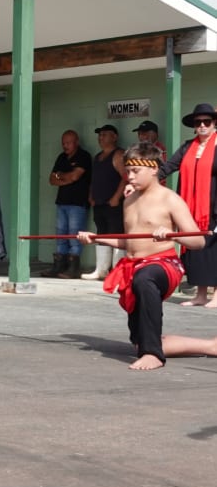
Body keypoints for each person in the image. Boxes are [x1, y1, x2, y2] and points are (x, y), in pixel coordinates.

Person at [76, 142, 204, 370]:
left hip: (164, 265)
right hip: (134, 265)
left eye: (136, 171)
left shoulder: (170, 199)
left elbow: (198, 241)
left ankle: (153, 354)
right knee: (139, 342)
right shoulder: (130, 199)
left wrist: (172, 236)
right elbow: (129, 241)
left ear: (154, 168)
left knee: (144, 279)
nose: (130, 176)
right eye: (128, 171)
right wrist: (97, 238)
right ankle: (210, 346)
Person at [160, 103, 217, 308]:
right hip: (190, 208)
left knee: (213, 250)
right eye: (198, 122)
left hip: (213, 208)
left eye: (207, 121)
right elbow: (168, 167)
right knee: (196, 251)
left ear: (214, 123)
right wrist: (145, 180)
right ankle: (200, 295)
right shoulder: (187, 147)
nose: (202, 125)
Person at [41, 130, 91, 277]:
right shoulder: (62, 157)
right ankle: (59, 267)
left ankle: (73, 269)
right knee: (60, 235)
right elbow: (51, 179)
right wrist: (65, 177)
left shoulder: (83, 156)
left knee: (74, 236)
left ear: (76, 142)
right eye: (63, 143)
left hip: (77, 202)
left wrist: (60, 176)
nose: (65, 146)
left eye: (68, 142)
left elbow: (75, 177)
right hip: (61, 202)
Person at [80, 125, 125, 280]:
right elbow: (94, 179)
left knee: (116, 236)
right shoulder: (98, 157)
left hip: (114, 204)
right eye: (99, 135)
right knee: (101, 235)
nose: (101, 137)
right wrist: (91, 195)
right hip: (99, 203)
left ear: (114, 137)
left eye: (104, 134)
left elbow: (126, 178)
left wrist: (116, 197)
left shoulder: (119, 154)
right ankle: (101, 270)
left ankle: (117, 272)